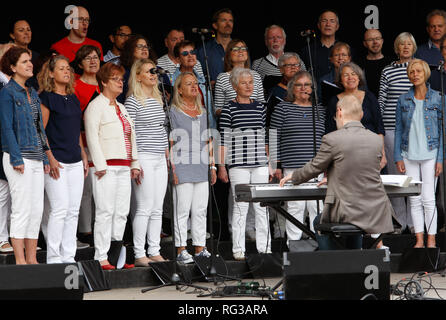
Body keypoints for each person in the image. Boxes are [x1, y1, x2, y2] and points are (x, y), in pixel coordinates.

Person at [280, 95, 394, 249]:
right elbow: (362, 168)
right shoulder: (375, 139)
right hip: (374, 210)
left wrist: (293, 175)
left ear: (339, 112)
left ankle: (331, 262)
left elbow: (315, 167)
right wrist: (335, 176)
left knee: (318, 221)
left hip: (346, 211)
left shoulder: (332, 139)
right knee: (355, 224)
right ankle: (355, 256)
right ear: (361, 115)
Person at [84, 63, 140, 270]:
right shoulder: (95, 105)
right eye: (116, 79)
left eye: (121, 79)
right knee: (105, 211)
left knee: (121, 212)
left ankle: (116, 256)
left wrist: (135, 163)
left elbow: (131, 136)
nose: (120, 82)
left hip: (123, 166)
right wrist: (99, 164)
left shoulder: (122, 107)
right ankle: (101, 256)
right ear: (104, 82)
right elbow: (91, 137)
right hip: (105, 166)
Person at [0, 47, 50, 264]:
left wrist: (46, 156)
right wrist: (16, 157)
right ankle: (20, 260)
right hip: (18, 156)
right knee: (21, 208)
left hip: (37, 157)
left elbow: (40, 128)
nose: (30, 64)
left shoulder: (32, 93)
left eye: (30, 60)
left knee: (36, 209)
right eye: (24, 62)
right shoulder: (7, 92)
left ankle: (32, 259)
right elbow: (6, 127)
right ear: (12, 67)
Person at [37, 55, 89, 264]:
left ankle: (69, 256)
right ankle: (54, 257)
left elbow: (76, 129)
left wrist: (83, 154)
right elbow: (41, 130)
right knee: (59, 208)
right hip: (56, 160)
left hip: (75, 159)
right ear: (51, 73)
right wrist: (49, 157)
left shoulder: (73, 97)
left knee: (73, 210)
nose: (67, 72)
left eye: (68, 68)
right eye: (61, 68)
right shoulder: (47, 97)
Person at [218, 68, 271, 261]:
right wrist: (222, 166)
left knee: (261, 207)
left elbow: (265, 136)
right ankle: (238, 249)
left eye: (251, 82)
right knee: (240, 207)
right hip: (238, 164)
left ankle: (265, 249)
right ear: (234, 86)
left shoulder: (260, 107)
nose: (249, 86)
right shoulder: (229, 109)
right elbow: (223, 139)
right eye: (244, 83)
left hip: (260, 163)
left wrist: (270, 162)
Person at [270, 71, 325, 243]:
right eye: (299, 85)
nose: (303, 88)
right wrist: (275, 165)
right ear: (292, 88)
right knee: (295, 206)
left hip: (317, 167)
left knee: (317, 206)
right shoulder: (282, 108)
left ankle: (317, 243)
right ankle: (294, 244)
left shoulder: (320, 110)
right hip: (292, 166)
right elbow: (272, 138)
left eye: (307, 84)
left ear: (312, 88)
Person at [394, 59, 443, 248]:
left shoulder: (439, 98)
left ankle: (432, 239)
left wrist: (440, 159)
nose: (415, 75)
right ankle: (419, 240)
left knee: (428, 198)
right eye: (411, 72)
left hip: (431, 153)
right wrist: (398, 156)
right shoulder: (403, 99)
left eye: (418, 71)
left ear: (425, 73)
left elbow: (442, 131)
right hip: (409, 153)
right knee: (414, 199)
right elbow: (398, 129)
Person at [124, 59, 169, 266]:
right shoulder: (133, 100)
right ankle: (140, 252)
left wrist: (167, 154)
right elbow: (129, 131)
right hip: (144, 156)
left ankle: (154, 249)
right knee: (144, 206)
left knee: (157, 207)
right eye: (149, 71)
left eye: (154, 71)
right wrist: (135, 160)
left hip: (160, 156)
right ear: (138, 75)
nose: (153, 74)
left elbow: (162, 129)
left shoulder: (159, 98)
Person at [169, 72, 217, 263]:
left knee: (200, 209)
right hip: (182, 165)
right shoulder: (173, 112)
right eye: (188, 84)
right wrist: (172, 169)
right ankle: (181, 249)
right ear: (179, 90)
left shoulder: (203, 112)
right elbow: (171, 142)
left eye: (195, 83)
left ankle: (200, 247)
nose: (193, 86)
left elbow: (208, 140)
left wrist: (212, 166)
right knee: (182, 210)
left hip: (201, 165)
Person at [379, 32, 416, 232]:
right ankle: (400, 222)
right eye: (402, 44)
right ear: (397, 47)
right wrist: (381, 129)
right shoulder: (388, 71)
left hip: (415, 129)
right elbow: (381, 101)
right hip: (392, 127)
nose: (405, 47)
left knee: (413, 175)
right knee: (396, 176)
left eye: (409, 44)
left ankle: (413, 222)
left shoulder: (419, 68)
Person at [325, 62, 386, 172]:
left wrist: (382, 154)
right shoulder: (334, 101)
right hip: (345, 154)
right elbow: (330, 131)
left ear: (359, 77)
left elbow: (379, 128)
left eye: (353, 74)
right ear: (340, 80)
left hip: (371, 151)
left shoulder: (370, 97)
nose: (350, 78)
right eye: (345, 75)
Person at [73, 45, 101, 246]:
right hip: (84, 140)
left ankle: (99, 227)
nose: (93, 61)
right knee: (86, 188)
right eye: (88, 58)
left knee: (101, 187)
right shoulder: (75, 85)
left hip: (104, 142)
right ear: (80, 63)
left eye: (96, 57)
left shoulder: (104, 83)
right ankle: (85, 230)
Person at [171, 40, 216, 130]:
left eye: (192, 52)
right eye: (185, 53)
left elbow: (209, 111)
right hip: (186, 132)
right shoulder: (172, 82)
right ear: (178, 59)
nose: (190, 55)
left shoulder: (202, 79)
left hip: (208, 130)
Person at [214, 39, 265, 117]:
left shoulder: (256, 76)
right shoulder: (222, 78)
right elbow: (217, 108)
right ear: (229, 55)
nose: (240, 51)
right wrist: (234, 112)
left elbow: (262, 103)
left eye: (243, 48)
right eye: (235, 49)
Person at [118, 34, 169, 104]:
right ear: (130, 49)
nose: (144, 49)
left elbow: (170, 93)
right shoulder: (124, 73)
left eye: (146, 46)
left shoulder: (158, 71)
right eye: (139, 46)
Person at [252, 25, 302, 94]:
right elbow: (254, 90)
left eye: (279, 37)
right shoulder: (257, 64)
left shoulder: (297, 61)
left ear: (284, 40)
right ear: (266, 42)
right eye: (271, 38)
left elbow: (306, 82)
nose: (275, 40)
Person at [300, 10, 340, 83]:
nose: (328, 24)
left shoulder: (346, 50)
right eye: (324, 21)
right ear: (319, 25)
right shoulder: (307, 50)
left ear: (337, 26)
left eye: (332, 21)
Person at [196, 8, 234, 85]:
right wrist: (207, 84)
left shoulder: (241, 48)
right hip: (213, 95)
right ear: (215, 25)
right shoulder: (204, 49)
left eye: (230, 21)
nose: (228, 24)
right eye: (224, 20)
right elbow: (197, 77)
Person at [265, 52, 304, 128]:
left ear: (299, 68)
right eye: (289, 65)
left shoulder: (307, 89)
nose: (293, 67)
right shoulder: (274, 92)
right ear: (281, 69)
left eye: (296, 65)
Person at [358, 29, 392, 98]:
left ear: (382, 41)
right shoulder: (358, 65)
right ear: (365, 44)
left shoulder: (392, 63)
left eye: (377, 38)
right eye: (370, 39)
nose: (375, 42)